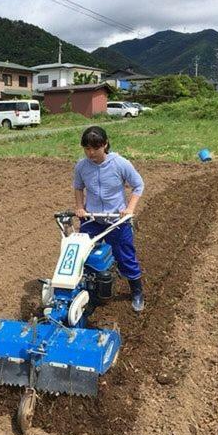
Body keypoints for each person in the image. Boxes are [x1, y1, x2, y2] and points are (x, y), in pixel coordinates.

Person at [73, 126, 145, 312]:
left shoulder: (120, 164)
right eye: (87, 148)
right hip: (92, 219)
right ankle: (90, 292)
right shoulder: (81, 166)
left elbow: (138, 186)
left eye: (94, 148)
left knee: (125, 256)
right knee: (82, 257)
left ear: (105, 145)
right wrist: (80, 207)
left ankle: (137, 292)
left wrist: (129, 209)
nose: (90, 153)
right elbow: (78, 187)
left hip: (116, 221)